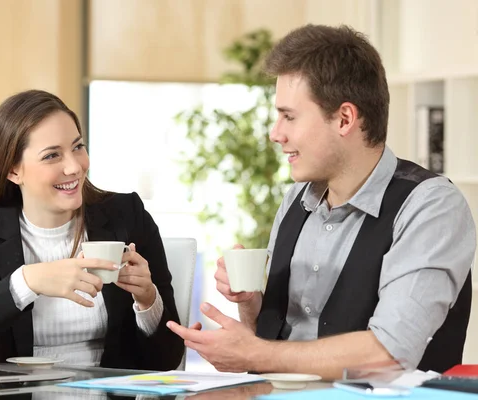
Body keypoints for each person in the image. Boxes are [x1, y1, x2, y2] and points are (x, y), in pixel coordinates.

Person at [167, 24, 476, 378]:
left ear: (345, 118)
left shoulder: (431, 206)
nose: (275, 133)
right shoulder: (295, 201)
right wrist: (254, 306)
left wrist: (256, 354)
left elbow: (390, 352)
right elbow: (278, 343)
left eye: (289, 116)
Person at [0, 89, 184, 371]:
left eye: (78, 147)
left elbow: (168, 360)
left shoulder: (127, 216)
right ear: (13, 170)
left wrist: (147, 300)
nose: (75, 167)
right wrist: (26, 282)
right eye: (52, 155)